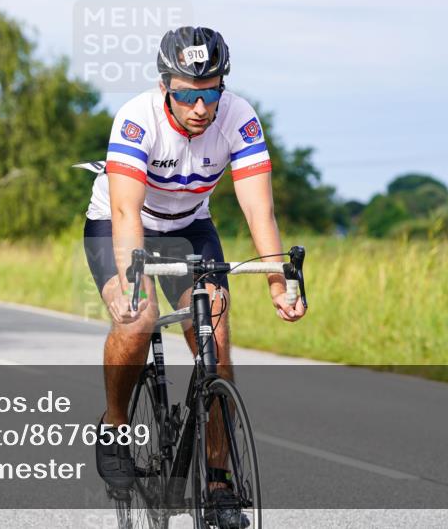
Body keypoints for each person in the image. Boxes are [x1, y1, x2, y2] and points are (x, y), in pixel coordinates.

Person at [82, 27, 306, 520]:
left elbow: (258, 209)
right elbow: (124, 212)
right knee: (137, 319)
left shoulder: (240, 118)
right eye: (187, 95)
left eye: (211, 93)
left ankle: (219, 480)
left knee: (216, 346)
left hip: (189, 227)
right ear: (165, 86)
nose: (201, 107)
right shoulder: (137, 119)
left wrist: (277, 279)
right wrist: (132, 284)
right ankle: (114, 427)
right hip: (122, 223)